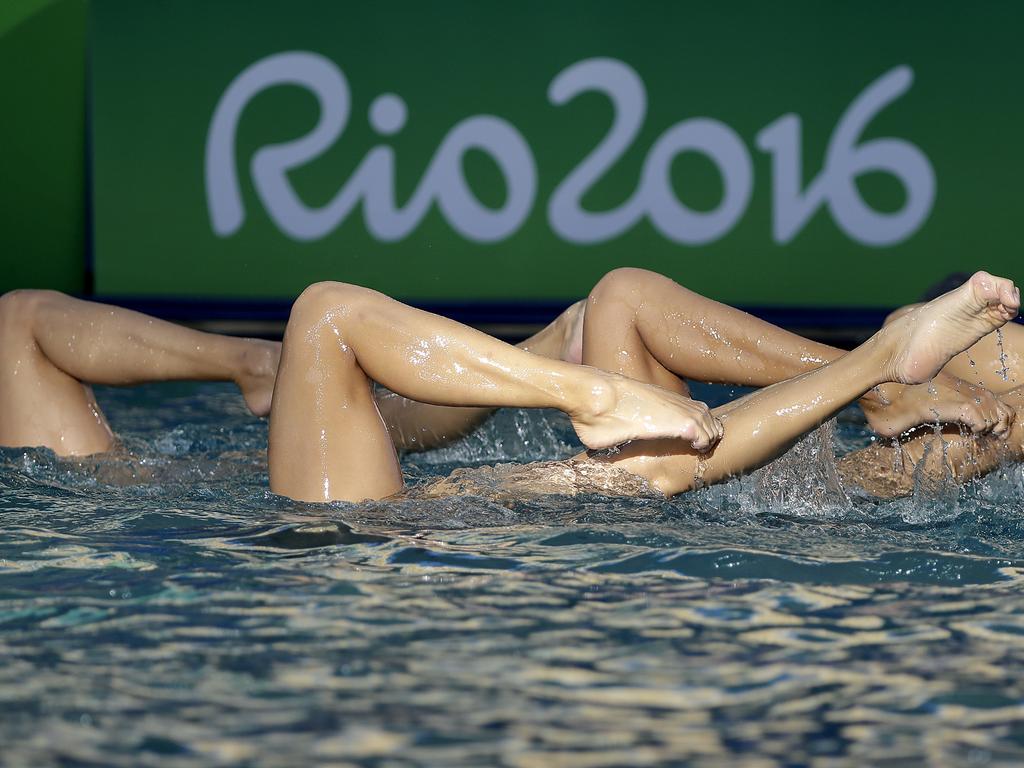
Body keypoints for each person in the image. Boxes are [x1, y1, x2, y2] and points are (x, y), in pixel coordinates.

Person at [0, 271, 1018, 503]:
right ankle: (255, 365)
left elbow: (674, 469)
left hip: (349, 537)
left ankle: (578, 391)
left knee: (326, 315)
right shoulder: (101, 487)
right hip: (270, 484)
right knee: (15, 323)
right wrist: (873, 374)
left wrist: (907, 379)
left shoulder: (897, 474)